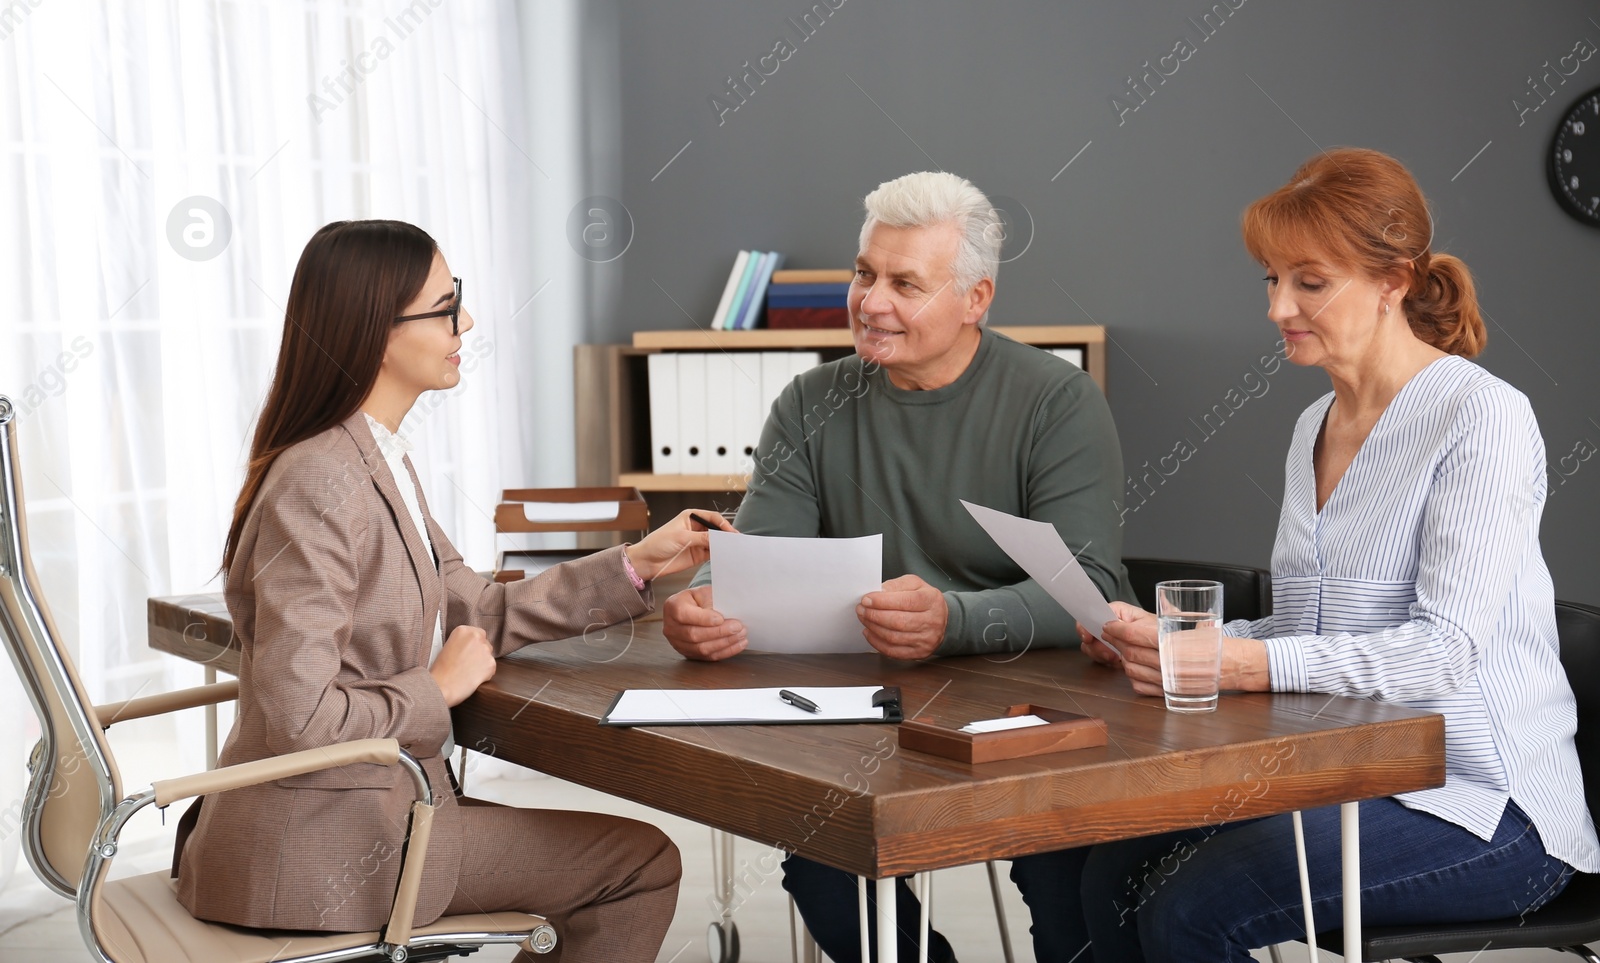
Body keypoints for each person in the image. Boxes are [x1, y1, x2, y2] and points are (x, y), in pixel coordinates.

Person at [1025, 147, 1600, 962]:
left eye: (1309, 280)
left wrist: (1234, 665)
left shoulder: (1483, 418)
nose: (1278, 306)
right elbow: (1310, 630)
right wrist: (1166, 640)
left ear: (1393, 282)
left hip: (1487, 806)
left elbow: (1444, 651)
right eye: (1271, 279)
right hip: (1341, 776)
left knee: (1188, 909)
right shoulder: (1313, 427)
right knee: (1100, 869)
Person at [174, 220, 733, 962]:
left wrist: (639, 562)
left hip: (369, 808)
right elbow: (298, 719)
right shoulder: (320, 479)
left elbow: (475, 607)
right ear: (378, 330)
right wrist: (434, 687)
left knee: (618, 854)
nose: (464, 321)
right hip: (322, 846)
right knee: (640, 866)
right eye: (446, 305)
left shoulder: (375, 455)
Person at [662, 172, 1137, 962]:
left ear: (975, 297)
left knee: (1062, 875)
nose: (870, 301)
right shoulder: (810, 401)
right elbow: (761, 558)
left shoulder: (1057, 399)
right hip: (871, 720)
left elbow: (1089, 590)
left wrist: (949, 619)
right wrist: (705, 602)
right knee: (821, 858)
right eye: (864, 273)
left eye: (904, 283)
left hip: (1035, 716)